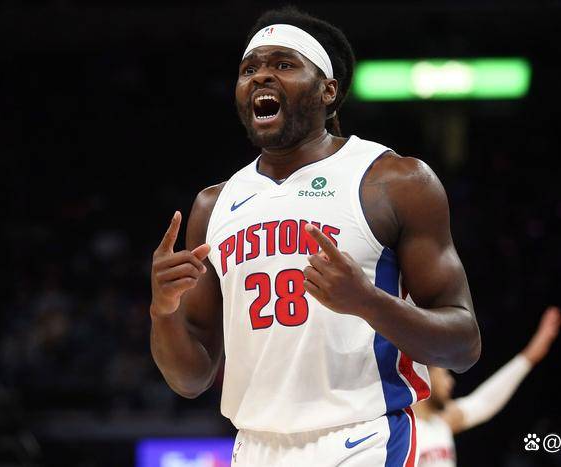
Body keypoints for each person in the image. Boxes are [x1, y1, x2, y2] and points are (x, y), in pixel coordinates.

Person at [149, 7, 481, 466]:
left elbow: (463, 344)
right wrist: (163, 311)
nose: (261, 76)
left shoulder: (394, 181)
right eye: (249, 69)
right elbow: (190, 379)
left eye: (283, 64)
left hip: (364, 438)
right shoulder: (213, 205)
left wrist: (367, 301)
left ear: (328, 90)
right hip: (255, 446)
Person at [414, 306, 561, 467]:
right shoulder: (401, 429)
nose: (450, 382)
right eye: (445, 374)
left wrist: (529, 357)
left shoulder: (441, 422)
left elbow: (484, 402)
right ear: (425, 376)